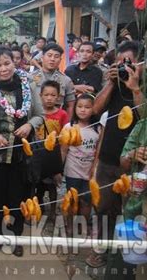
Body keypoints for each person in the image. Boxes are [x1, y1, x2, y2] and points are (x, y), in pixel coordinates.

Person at [0, 46, 44, 256]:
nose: (3, 69)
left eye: (7, 63)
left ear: (15, 62)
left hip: (20, 157)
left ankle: (15, 238)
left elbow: (40, 115)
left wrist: (30, 125)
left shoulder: (28, 85)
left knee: (17, 199)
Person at [86, 41, 146, 268]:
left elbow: (145, 116)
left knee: (130, 209)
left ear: (140, 63)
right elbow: (95, 110)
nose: (124, 67)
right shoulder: (114, 85)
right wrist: (111, 82)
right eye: (119, 63)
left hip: (135, 163)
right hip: (108, 159)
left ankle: (127, 257)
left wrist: (135, 87)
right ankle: (100, 249)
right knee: (102, 207)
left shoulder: (143, 87)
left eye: (128, 62)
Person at [61, 94, 101, 236]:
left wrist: (94, 168)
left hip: (89, 171)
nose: (83, 110)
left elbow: (98, 151)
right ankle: (70, 225)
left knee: (86, 201)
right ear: (75, 108)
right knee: (72, 199)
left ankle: (82, 224)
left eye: (87, 107)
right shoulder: (69, 127)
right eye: (80, 106)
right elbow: (64, 150)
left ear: (94, 109)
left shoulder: (97, 129)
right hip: (73, 169)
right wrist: (59, 170)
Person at [33, 80, 69, 223]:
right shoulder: (36, 113)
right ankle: (39, 208)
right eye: (46, 95)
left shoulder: (62, 114)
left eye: (53, 95)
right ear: (40, 95)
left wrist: (60, 162)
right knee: (38, 185)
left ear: (58, 97)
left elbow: (65, 138)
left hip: (53, 155)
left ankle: (53, 211)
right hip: (37, 154)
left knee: (52, 184)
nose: (49, 98)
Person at [31, 43, 76, 118]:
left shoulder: (66, 80)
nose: (52, 59)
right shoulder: (30, 78)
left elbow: (70, 106)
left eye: (56, 56)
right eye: (49, 55)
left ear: (60, 60)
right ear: (42, 57)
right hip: (34, 120)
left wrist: (67, 124)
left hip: (56, 121)